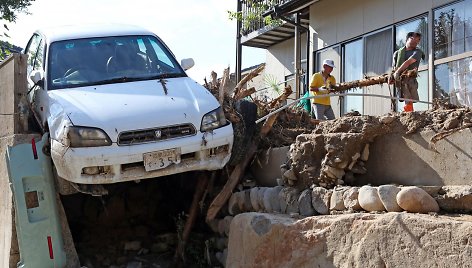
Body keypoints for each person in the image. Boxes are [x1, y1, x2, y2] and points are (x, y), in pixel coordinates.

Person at [389, 31, 425, 112]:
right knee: (404, 97)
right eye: (413, 38)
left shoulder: (417, 52)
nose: (416, 41)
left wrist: (398, 72)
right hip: (399, 80)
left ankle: (409, 113)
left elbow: (408, 62)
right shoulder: (397, 53)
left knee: (409, 98)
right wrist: (391, 76)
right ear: (407, 39)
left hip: (410, 78)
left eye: (418, 39)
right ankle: (407, 112)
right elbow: (394, 68)